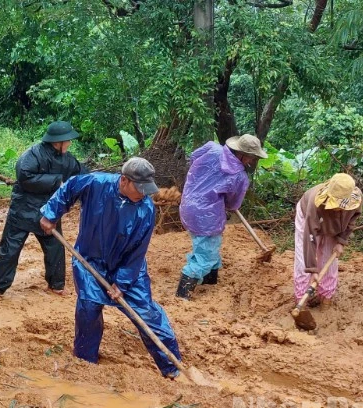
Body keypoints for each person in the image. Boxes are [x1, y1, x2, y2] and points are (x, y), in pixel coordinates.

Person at [39, 158, 183, 378]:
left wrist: (122, 283)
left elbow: (138, 252)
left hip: (128, 268)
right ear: (124, 180)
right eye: (139, 188)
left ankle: (172, 368)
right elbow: (68, 188)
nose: (143, 194)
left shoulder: (145, 210)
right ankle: (85, 363)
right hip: (89, 261)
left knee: (146, 313)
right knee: (88, 310)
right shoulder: (96, 183)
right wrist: (51, 214)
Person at [0, 121, 84, 305]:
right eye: (67, 140)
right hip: (23, 210)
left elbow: (82, 174)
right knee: (10, 251)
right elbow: (25, 177)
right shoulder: (33, 154)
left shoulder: (68, 159)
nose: (69, 144)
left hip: (49, 211)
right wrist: (57, 181)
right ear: (57, 141)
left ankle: (56, 285)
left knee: (55, 249)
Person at [176, 134, 267, 301]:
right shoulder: (239, 176)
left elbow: (194, 156)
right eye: (252, 158)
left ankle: (210, 280)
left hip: (188, 205)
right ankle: (182, 294)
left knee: (209, 246)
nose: (252, 161)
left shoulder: (211, 148)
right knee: (206, 253)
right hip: (207, 216)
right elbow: (233, 204)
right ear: (242, 154)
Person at [294, 173, 362, 306]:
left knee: (329, 260)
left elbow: (352, 220)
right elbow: (310, 236)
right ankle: (301, 302)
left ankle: (326, 298)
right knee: (303, 264)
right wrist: (312, 269)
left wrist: (341, 241)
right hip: (309, 221)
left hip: (334, 226)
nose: (337, 207)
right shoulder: (315, 203)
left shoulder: (356, 199)